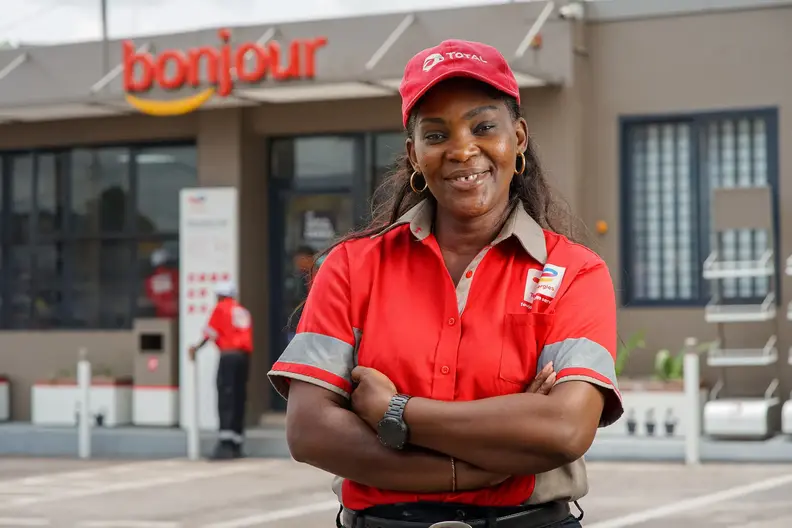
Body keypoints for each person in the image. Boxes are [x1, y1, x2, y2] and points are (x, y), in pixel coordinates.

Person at [268, 39, 621, 528]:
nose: (462, 149)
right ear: (414, 155)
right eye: (436, 135)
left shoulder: (576, 272)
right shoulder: (350, 267)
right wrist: (472, 469)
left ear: (518, 138)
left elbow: (564, 428)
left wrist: (393, 411)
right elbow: (310, 432)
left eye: (483, 127)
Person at [189, 281, 253, 460]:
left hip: (228, 356)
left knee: (226, 396)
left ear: (220, 296)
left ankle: (225, 446)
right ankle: (237, 443)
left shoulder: (221, 308)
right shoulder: (242, 311)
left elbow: (209, 333)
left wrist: (196, 348)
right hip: (243, 357)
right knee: (239, 397)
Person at [144, 248, 179, 319]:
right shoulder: (176, 275)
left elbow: (151, 297)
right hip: (178, 316)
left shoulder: (149, 280)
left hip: (161, 318)